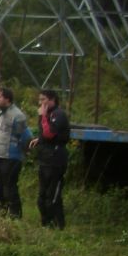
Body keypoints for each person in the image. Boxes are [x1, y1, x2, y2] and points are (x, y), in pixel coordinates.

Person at [29, 89, 71, 228]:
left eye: (43, 100)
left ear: (52, 99)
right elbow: (45, 135)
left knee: (52, 197)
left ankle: (57, 226)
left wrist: (43, 117)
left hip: (55, 160)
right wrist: (39, 139)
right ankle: (46, 224)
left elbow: (50, 134)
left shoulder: (58, 114)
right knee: (41, 197)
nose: (40, 103)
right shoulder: (47, 114)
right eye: (39, 100)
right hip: (44, 159)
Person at [0, 87, 32, 218]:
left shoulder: (17, 116)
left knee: (9, 188)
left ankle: (15, 215)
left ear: (7, 99)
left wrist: (24, 151)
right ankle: (2, 213)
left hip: (11, 157)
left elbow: (26, 136)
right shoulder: (0, 114)